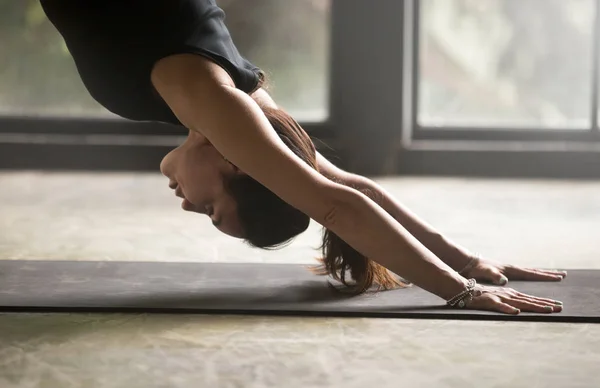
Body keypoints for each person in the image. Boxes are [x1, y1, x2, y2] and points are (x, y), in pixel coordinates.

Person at [40, 0, 566, 314]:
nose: (185, 205)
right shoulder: (217, 102)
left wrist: (469, 262)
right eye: (209, 209)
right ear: (237, 165)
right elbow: (335, 204)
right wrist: (461, 288)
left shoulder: (232, 102)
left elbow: (347, 186)